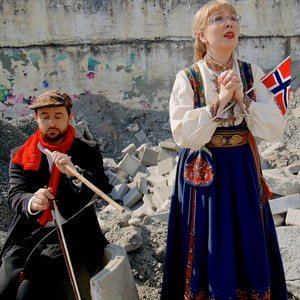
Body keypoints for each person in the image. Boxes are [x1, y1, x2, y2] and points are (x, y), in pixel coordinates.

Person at [161, 1, 288, 299]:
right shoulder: (188, 77)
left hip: (242, 166)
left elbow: (273, 127)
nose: (229, 23)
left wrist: (243, 100)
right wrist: (218, 103)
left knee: (248, 233)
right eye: (218, 19)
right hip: (204, 171)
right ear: (202, 35)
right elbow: (182, 133)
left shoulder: (250, 72)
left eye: (233, 18)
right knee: (210, 237)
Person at [0, 90, 112, 300]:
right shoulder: (21, 153)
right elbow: (15, 194)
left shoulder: (87, 150)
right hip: (28, 233)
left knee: (28, 292)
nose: (51, 123)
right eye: (45, 117)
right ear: (36, 119)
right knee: (5, 288)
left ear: (70, 117)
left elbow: (103, 187)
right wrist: (33, 201)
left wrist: (76, 175)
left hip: (70, 234)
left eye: (58, 116)